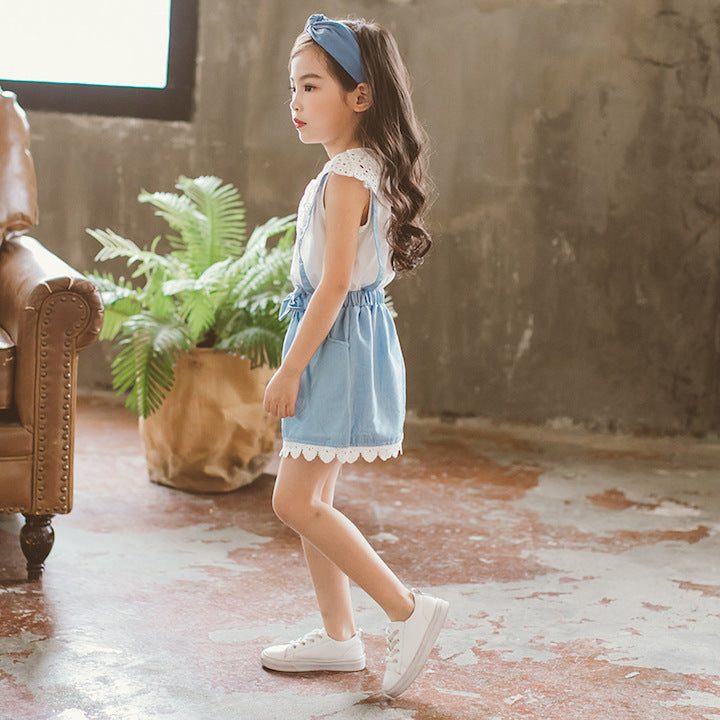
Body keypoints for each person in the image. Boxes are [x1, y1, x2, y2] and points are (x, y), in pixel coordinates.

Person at [261, 13, 449, 699]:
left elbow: (335, 283)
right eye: (293, 89)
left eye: (311, 87)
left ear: (360, 96)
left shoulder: (346, 177)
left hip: (333, 345)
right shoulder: (362, 168)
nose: (296, 103)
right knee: (316, 496)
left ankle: (405, 609)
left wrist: (289, 369)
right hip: (348, 338)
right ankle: (340, 638)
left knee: (294, 500)